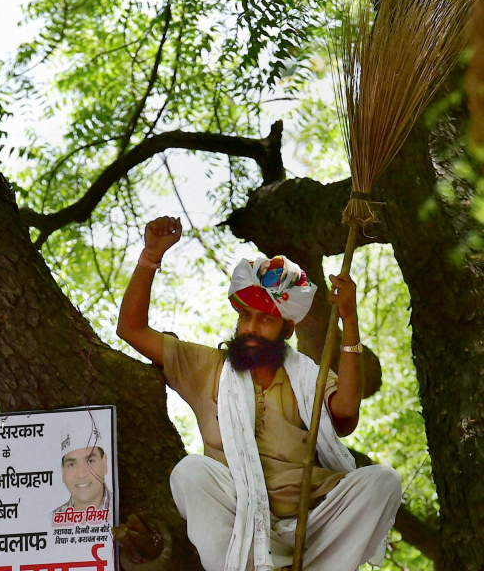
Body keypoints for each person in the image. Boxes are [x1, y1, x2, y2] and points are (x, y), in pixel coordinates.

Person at [117, 216, 402, 571]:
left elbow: (345, 414)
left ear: (287, 327)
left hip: (311, 522)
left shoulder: (305, 375)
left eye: (264, 319)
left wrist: (350, 318)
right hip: (240, 523)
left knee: (383, 481)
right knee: (190, 472)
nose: (250, 328)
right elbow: (131, 329)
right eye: (245, 317)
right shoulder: (208, 367)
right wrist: (150, 257)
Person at [54, 416, 112, 515]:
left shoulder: (122, 511)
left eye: (90, 461)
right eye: (72, 464)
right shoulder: (52, 519)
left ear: (104, 463)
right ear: (63, 472)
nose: (81, 474)